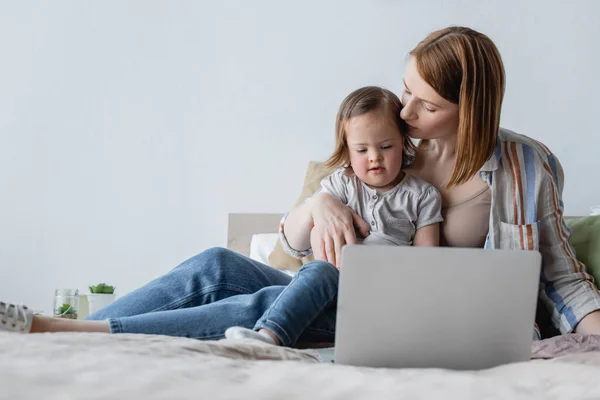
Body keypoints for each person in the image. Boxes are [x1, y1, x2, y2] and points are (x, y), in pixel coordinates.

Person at [2, 26, 600, 340]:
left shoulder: (527, 166)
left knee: (270, 304)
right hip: (334, 282)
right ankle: (70, 333)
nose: (404, 110)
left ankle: (68, 331)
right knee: (218, 265)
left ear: (469, 108)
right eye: (406, 88)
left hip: (418, 318)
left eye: (424, 103)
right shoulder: (382, 150)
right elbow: (290, 250)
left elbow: (562, 276)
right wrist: (318, 202)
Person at [225, 86, 442, 346]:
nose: (375, 157)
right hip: (329, 286)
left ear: (403, 142)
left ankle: (268, 337)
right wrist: (319, 205)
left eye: (386, 146)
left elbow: (428, 263)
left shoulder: (422, 195)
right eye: (362, 150)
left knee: (316, 275)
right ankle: (268, 338)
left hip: (383, 294)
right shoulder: (340, 185)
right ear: (347, 150)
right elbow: (295, 244)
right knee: (317, 271)